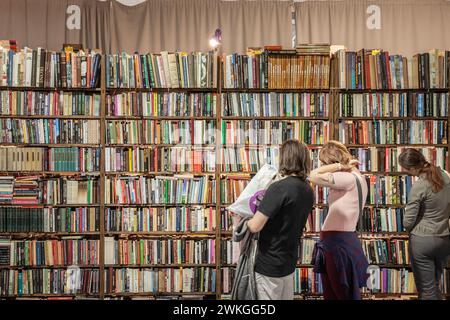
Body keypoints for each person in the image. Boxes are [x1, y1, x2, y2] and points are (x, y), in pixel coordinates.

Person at [247, 139, 314, 300]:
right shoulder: (308, 189)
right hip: (288, 262)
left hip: (269, 264)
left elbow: (255, 226)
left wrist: (244, 221)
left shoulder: (278, 188)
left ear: (285, 158)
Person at [308, 140, 369, 300]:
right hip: (337, 241)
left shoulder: (347, 178)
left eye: (325, 163)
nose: (323, 166)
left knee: (340, 293)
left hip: (338, 243)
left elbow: (313, 175)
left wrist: (341, 166)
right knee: (336, 292)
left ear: (332, 162)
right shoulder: (355, 178)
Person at [398, 148, 450, 300]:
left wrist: (410, 228)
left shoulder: (420, 185)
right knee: (434, 285)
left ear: (413, 168)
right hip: (444, 238)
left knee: (427, 290)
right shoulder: (446, 175)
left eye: (406, 169)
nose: (406, 172)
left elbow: (408, 221)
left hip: (423, 240)